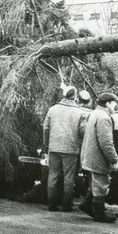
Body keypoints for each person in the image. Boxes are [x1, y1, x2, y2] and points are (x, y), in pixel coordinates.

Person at [42, 84, 87, 212]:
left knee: (53, 175)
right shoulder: (80, 112)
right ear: (74, 96)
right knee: (69, 177)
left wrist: (46, 146)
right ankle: (67, 205)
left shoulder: (52, 109)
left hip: (54, 147)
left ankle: (51, 204)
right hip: (71, 149)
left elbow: (45, 128)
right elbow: (83, 132)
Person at [79, 92, 118, 223]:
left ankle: (87, 205)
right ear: (108, 103)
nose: (116, 105)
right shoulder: (104, 117)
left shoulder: (95, 113)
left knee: (96, 184)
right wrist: (114, 160)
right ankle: (99, 214)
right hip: (98, 157)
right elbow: (106, 142)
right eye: (114, 102)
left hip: (90, 155)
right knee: (101, 185)